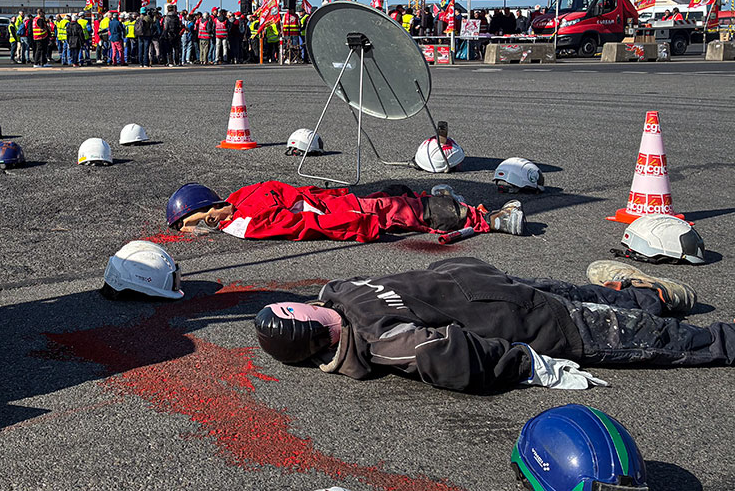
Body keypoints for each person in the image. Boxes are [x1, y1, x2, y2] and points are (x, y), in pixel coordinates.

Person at [253, 256, 735, 394]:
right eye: (292, 313)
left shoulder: (335, 292)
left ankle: (650, 297)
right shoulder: (384, 341)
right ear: (313, 331)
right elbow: (451, 358)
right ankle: (712, 333)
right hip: (534, 320)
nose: (296, 305)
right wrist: (530, 363)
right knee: (664, 341)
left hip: (495, 285)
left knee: (595, 299)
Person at [166, 180, 524, 242]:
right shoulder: (242, 223)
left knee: (394, 198)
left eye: (195, 220)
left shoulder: (240, 199)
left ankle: (443, 202)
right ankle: (489, 219)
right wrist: (357, 222)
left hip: (332, 200)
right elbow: (304, 226)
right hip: (339, 212)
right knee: (394, 209)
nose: (200, 227)